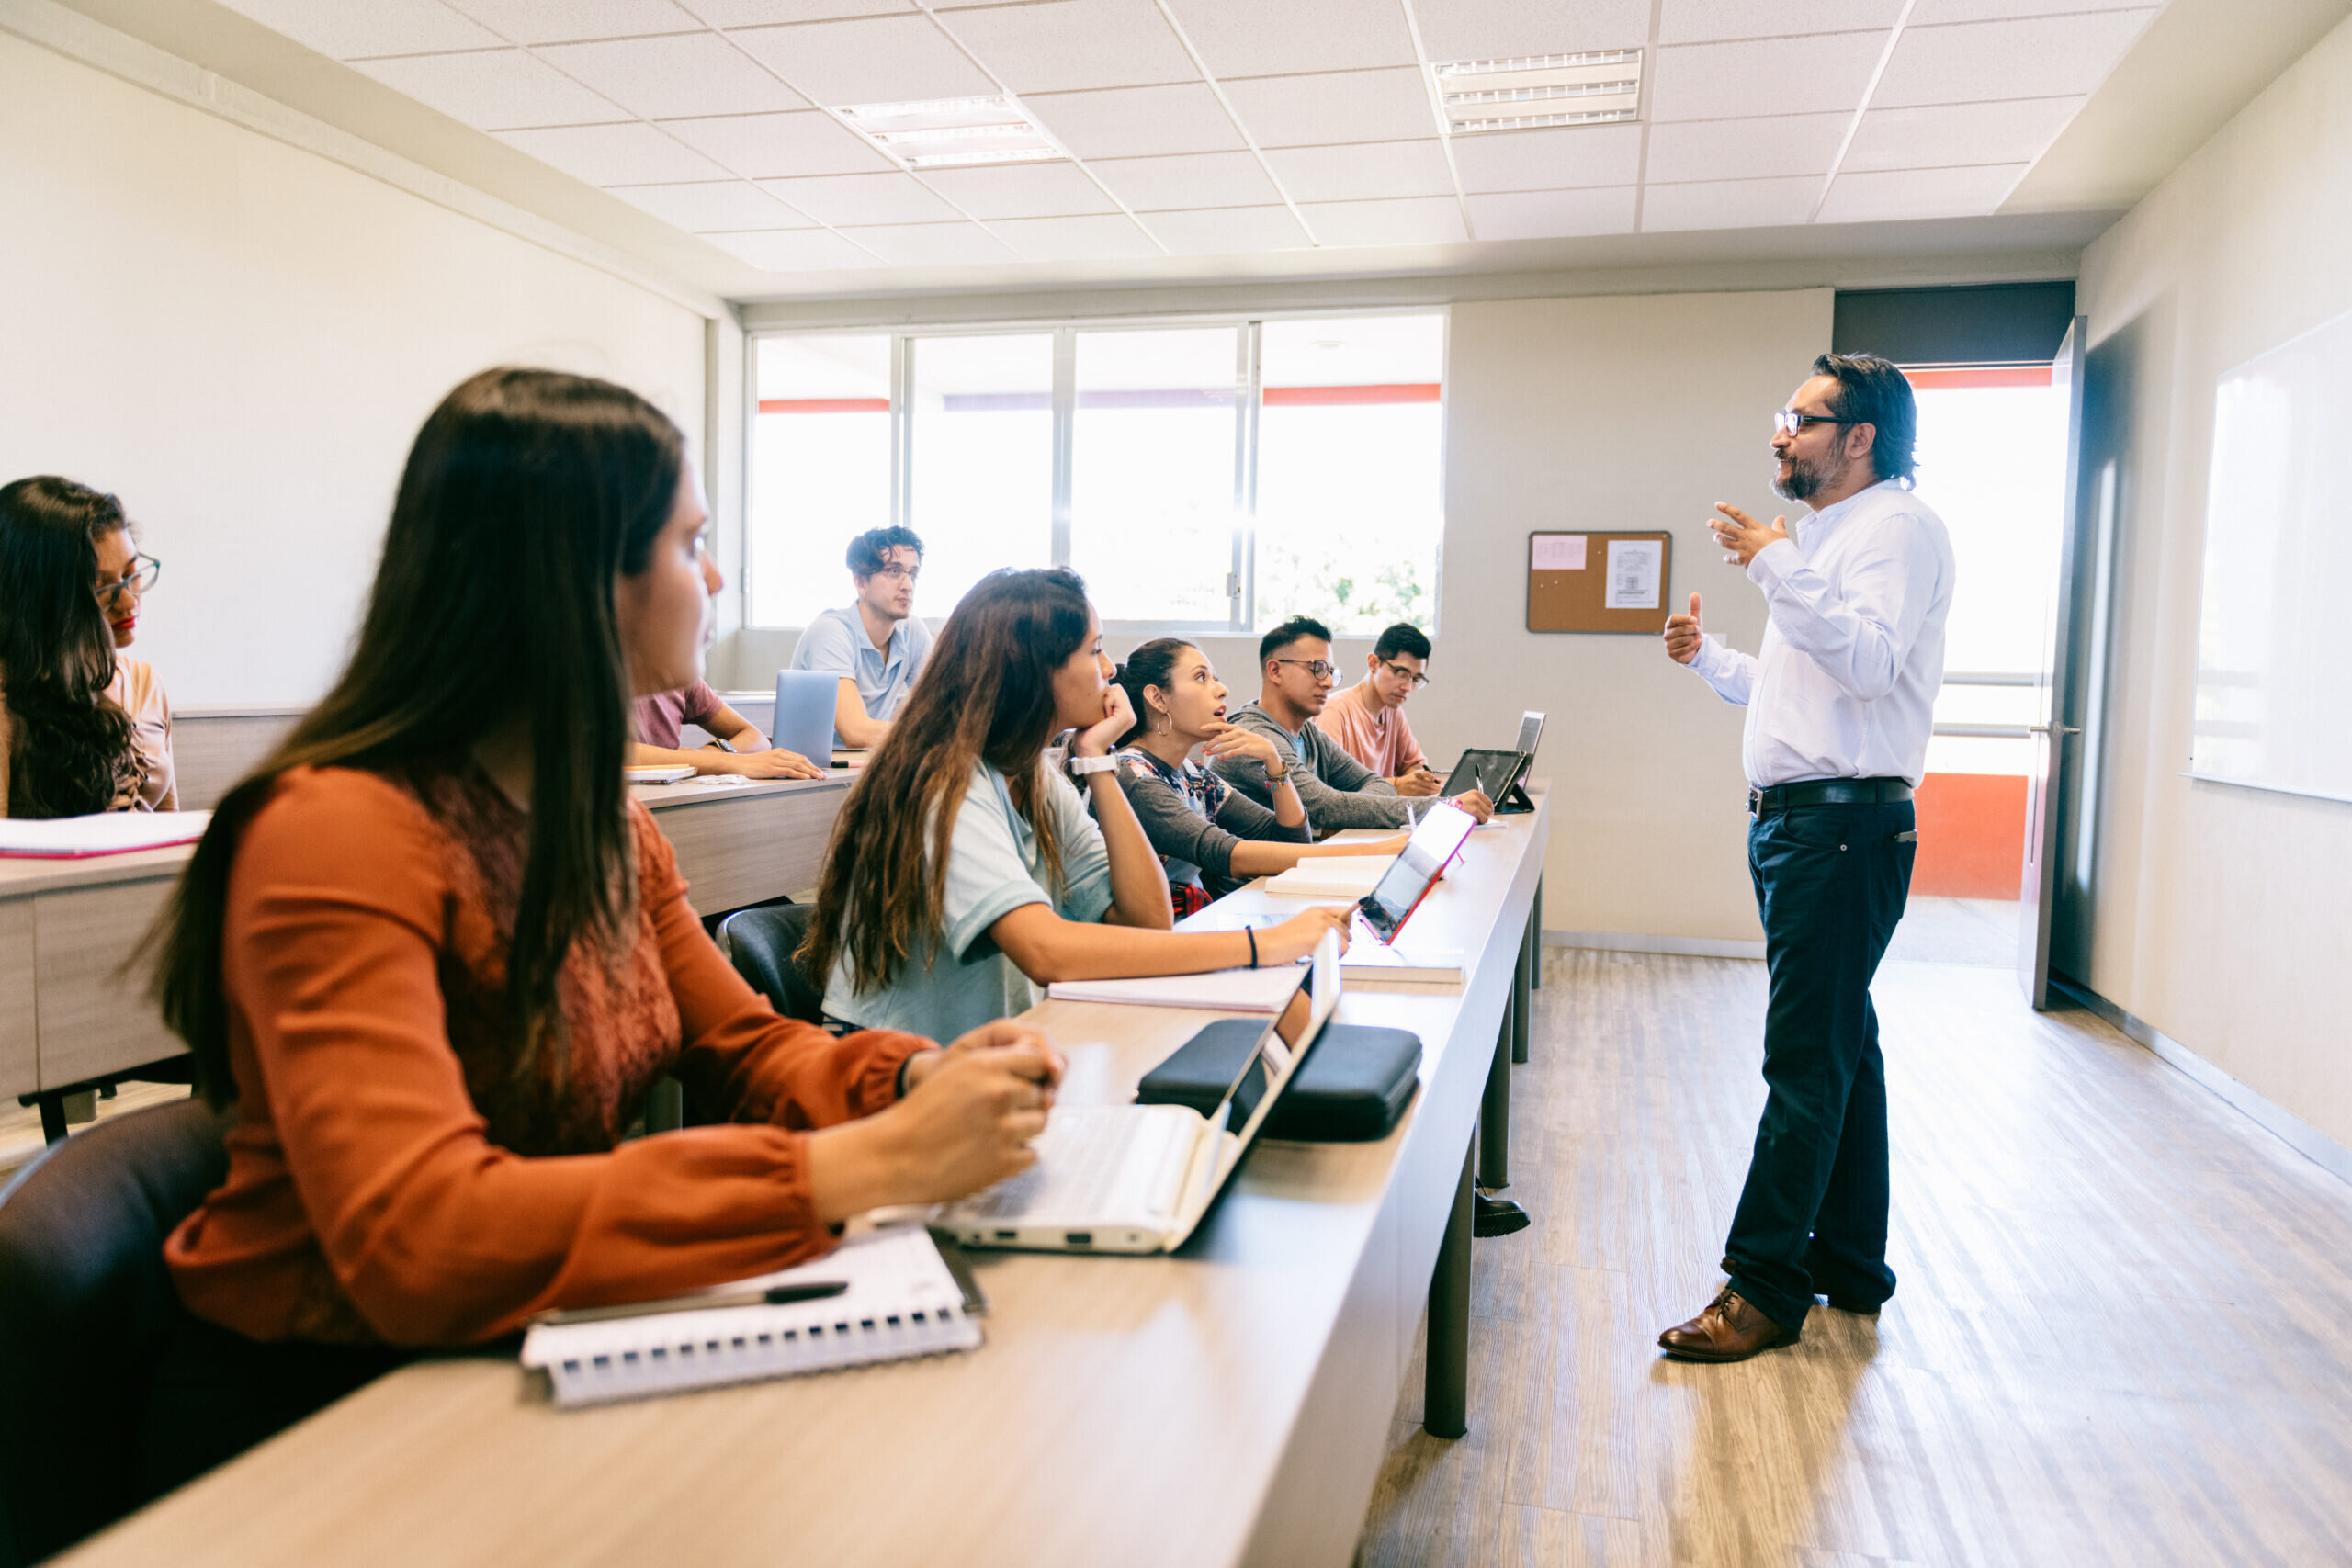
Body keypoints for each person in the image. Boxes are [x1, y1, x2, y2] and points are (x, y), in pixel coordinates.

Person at [146, 369, 1061, 1486]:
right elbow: (420, 1237)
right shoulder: (340, 829)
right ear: (576, 574)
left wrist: (914, 1080)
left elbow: (745, 1047)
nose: (713, 577)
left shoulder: (606, 822)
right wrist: (857, 1164)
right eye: (691, 544)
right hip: (314, 1406)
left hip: (517, 1340)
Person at [1656, 352, 1953, 1362]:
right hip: (1804, 827)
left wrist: (1772, 564)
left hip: (1840, 830)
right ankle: (1851, 1264)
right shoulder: (1829, 537)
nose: (1781, 434)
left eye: (1801, 418)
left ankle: (1764, 1286)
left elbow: (1868, 666)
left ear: (1859, 436)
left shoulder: (1894, 529)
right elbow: (1801, 689)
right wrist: (1710, 660)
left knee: (1804, 1061)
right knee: (1840, 1047)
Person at [804, 570, 1352, 1044]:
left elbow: (1148, 923)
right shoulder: (944, 779)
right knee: (1257, 997)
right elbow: (1046, 952)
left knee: (1275, 1005)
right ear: (1036, 667)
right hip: (896, 1063)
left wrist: (1097, 761)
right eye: (1094, 650)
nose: (1110, 668)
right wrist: (1262, 945)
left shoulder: (1036, 774)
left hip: (999, 1044)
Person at [1109, 638, 1408, 918]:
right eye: (1201, 677)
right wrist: (1371, 852)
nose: (1222, 689)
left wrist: (1275, 764)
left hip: (1193, 924)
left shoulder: (1193, 774)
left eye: (1215, 678)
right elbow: (1226, 853)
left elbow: (1291, 840)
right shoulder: (1133, 774)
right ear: (1158, 698)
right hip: (1154, 939)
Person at [1214, 616, 1492, 829]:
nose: (1327, 682)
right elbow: (1324, 806)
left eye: (1330, 671)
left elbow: (1376, 784)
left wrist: (1349, 807)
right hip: (1258, 883)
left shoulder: (1308, 734)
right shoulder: (1255, 737)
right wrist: (1446, 807)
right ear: (1275, 670)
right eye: (1317, 669)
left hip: (1294, 872)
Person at [0, 475, 175, 816]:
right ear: (39, 600)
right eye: (101, 587)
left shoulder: (145, 682)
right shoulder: (8, 698)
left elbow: (171, 824)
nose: (129, 602)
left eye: (131, 573)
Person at [789, 525, 933, 750]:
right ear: (861, 583)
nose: (908, 586)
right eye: (894, 571)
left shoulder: (913, 631)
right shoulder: (830, 632)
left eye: (912, 574)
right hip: (816, 767)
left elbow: (944, 708)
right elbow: (856, 732)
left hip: (870, 761)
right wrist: (934, 732)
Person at [1318, 621, 1442, 795]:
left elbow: (1414, 765)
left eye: (1415, 679)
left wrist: (1420, 781)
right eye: (1401, 674)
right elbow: (1328, 790)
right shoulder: (1335, 712)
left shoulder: (1394, 712)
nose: (1407, 687)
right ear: (1373, 663)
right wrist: (1396, 786)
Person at [630, 675, 822, 780]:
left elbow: (756, 738)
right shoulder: (611, 664)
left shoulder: (676, 671)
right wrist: (729, 762)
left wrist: (705, 755)